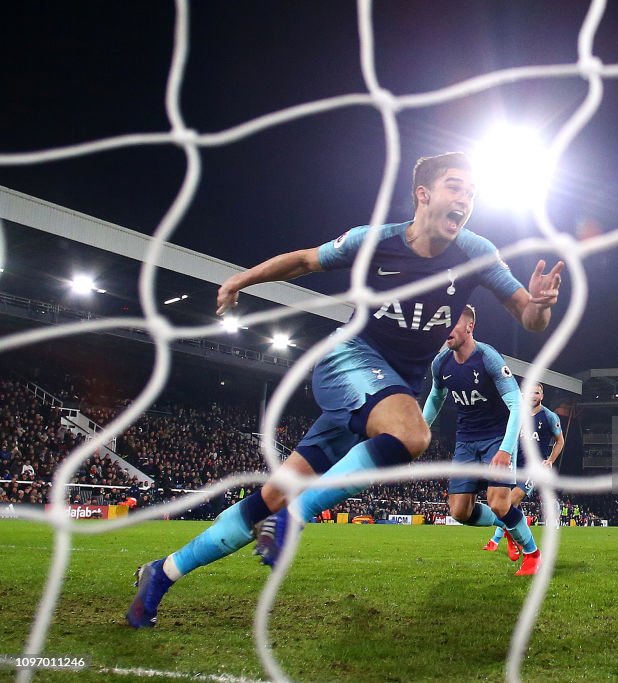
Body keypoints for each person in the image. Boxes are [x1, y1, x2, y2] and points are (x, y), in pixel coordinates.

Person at [127, 152, 563, 627]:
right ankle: (293, 522)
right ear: (424, 195)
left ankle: (163, 573)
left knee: (269, 497)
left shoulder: (477, 252)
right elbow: (304, 261)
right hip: (347, 361)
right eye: (455, 187)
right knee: (412, 433)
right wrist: (242, 279)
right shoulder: (374, 241)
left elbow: (529, 315)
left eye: (471, 193)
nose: (466, 200)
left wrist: (540, 304)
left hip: (381, 391)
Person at [422, 306, 541, 576]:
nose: (446, 331)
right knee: (459, 512)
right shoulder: (441, 363)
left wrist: (505, 450)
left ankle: (533, 555)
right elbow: (435, 398)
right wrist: (419, 429)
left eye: (453, 324)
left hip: (496, 438)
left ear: (469, 327)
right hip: (465, 441)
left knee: (499, 502)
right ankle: (510, 526)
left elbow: (517, 406)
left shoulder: (488, 358)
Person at [483, 382, 563, 557]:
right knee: (509, 506)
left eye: (536, 392)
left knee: (510, 502)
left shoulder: (549, 417)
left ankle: (506, 540)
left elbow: (560, 441)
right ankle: (501, 538)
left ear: (541, 396)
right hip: (513, 466)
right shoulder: (517, 415)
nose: (533, 395)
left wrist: (550, 460)